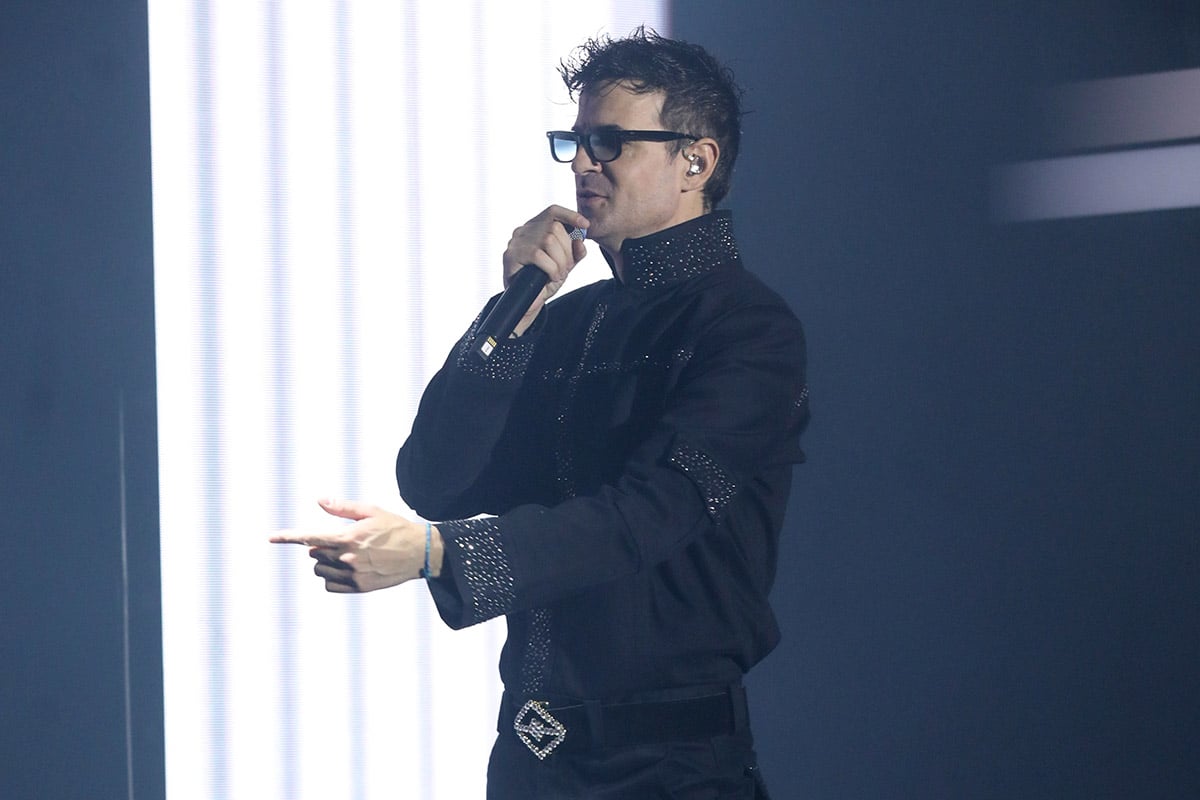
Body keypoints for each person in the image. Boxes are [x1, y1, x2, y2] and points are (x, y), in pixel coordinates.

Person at [273, 27, 808, 799]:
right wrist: (512, 313)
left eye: (610, 142)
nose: (584, 163)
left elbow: (648, 515)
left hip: (672, 769)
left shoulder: (750, 331)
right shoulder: (562, 321)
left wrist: (438, 555)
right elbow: (436, 480)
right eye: (576, 141)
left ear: (696, 161)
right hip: (534, 761)